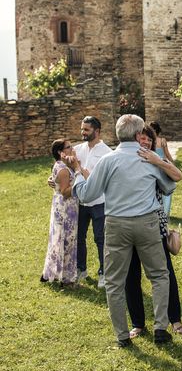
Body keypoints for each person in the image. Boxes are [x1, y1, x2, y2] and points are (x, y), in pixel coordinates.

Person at [69, 114, 176, 347]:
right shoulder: (147, 158)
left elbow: (87, 194)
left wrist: (77, 174)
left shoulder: (108, 160)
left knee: (115, 282)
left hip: (117, 223)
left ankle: (122, 336)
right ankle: (160, 328)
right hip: (147, 223)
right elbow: (168, 187)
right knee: (158, 275)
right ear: (139, 135)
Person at [126, 125, 182, 337]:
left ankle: (175, 319)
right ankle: (138, 323)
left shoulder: (157, 161)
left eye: (149, 140)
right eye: (141, 139)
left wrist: (158, 161)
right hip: (128, 224)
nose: (145, 143)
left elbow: (177, 176)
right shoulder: (125, 161)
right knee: (131, 275)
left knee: (164, 273)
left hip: (155, 224)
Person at [73, 116, 112, 288]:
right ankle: (81, 269)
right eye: (82, 129)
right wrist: (52, 178)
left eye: (86, 129)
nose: (83, 132)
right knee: (78, 237)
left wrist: (88, 175)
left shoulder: (108, 153)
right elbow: (64, 167)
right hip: (80, 202)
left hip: (99, 202)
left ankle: (104, 273)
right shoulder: (77, 150)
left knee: (100, 238)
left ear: (97, 131)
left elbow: (108, 181)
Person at [41, 139, 79, 286]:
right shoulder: (63, 168)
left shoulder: (63, 165)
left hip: (64, 208)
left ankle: (56, 273)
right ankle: (66, 278)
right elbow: (65, 192)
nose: (72, 148)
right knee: (67, 241)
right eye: (69, 147)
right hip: (65, 210)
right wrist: (79, 178)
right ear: (60, 152)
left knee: (60, 240)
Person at [149, 121, 175, 217]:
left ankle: (165, 211)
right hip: (154, 165)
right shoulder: (149, 140)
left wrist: (173, 164)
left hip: (162, 166)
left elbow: (167, 154)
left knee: (165, 186)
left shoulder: (161, 140)